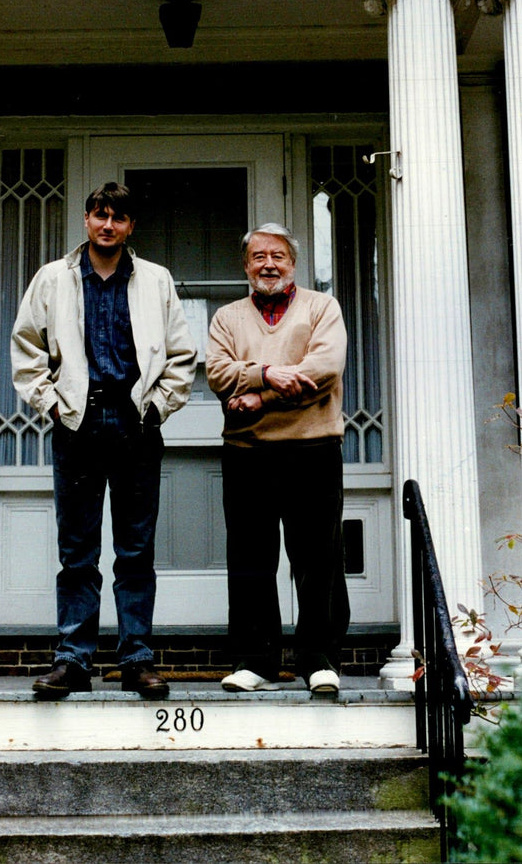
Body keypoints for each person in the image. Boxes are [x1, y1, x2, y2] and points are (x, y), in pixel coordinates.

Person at [11, 182, 197, 700]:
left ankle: (136, 660)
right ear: (87, 220)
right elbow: (27, 348)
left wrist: (157, 407)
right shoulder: (54, 278)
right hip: (78, 424)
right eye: (99, 215)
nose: (107, 225)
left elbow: (181, 356)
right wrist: (52, 404)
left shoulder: (154, 280)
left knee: (135, 551)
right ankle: (73, 661)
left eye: (118, 217)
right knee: (77, 551)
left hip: (136, 425)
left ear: (130, 225)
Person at [206, 222, 349, 695]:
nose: (268, 264)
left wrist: (260, 397)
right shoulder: (227, 317)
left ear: (292, 263)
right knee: (250, 558)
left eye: (278, 256)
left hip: (313, 447)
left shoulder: (321, 308)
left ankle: (319, 659)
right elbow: (218, 373)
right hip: (247, 453)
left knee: (317, 557)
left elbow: (323, 368)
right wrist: (267, 372)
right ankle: (256, 661)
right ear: (246, 265)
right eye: (259, 257)